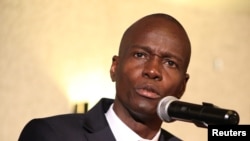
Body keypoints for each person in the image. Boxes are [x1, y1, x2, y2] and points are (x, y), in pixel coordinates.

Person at [18, 13, 191, 141]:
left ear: (182, 86)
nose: (152, 71)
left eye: (170, 63)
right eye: (140, 55)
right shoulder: (51, 135)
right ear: (115, 67)